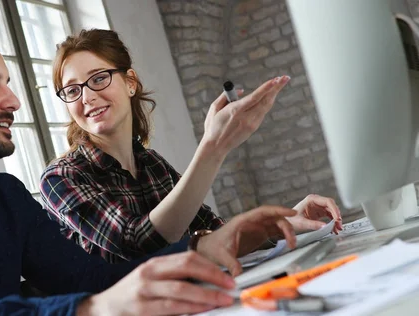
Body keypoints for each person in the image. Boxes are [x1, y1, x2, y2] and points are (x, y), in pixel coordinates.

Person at [0, 19, 302, 316]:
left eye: (7, 82)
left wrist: (203, 248)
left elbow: (92, 280)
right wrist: (91, 309)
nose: (12, 100)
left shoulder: (6, 199)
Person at [40, 29, 343, 264]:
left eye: (98, 79)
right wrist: (213, 146)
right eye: (72, 90)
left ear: (130, 82)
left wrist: (283, 222)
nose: (86, 97)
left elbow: (217, 233)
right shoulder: (60, 178)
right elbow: (138, 244)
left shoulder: (152, 165)